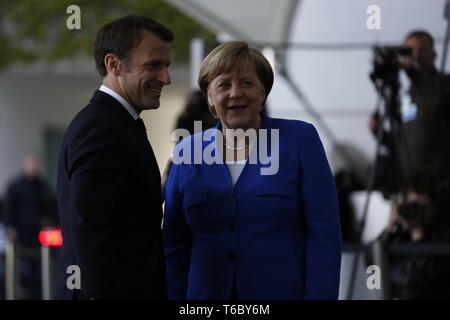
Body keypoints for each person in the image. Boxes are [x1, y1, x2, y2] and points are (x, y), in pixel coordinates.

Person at [163, 41, 342, 300]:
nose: (236, 93)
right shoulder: (185, 152)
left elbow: (324, 235)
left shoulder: (300, 139)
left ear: (263, 92)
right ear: (210, 97)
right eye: (224, 84)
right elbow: (174, 246)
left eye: (247, 83)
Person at [55, 15, 173, 300]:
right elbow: (91, 229)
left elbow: (115, 212)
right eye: (153, 65)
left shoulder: (116, 123)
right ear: (113, 64)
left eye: (166, 66)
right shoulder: (102, 128)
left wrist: (157, 190)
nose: (166, 78)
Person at [369, 30, 450, 198]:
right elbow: (401, 144)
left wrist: (412, 71)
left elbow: (434, 100)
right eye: (408, 52)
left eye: (421, 51)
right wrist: (379, 133)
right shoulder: (407, 96)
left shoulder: (443, 84)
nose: (415, 57)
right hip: (411, 190)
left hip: (441, 190)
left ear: (433, 54)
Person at [379, 173, 450, 299]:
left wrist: (417, 234)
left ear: (434, 208)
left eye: (423, 208)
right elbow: (371, 261)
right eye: (412, 206)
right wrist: (389, 229)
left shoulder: (442, 237)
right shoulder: (397, 235)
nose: (417, 213)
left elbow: (427, 277)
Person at [3, 154, 57, 299]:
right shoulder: (15, 186)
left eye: (36, 164)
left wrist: (49, 221)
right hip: (21, 236)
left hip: (38, 237)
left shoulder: (42, 186)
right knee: (23, 272)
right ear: (25, 165)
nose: (34, 167)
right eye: (31, 163)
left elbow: (50, 207)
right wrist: (11, 227)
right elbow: (9, 209)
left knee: (41, 273)